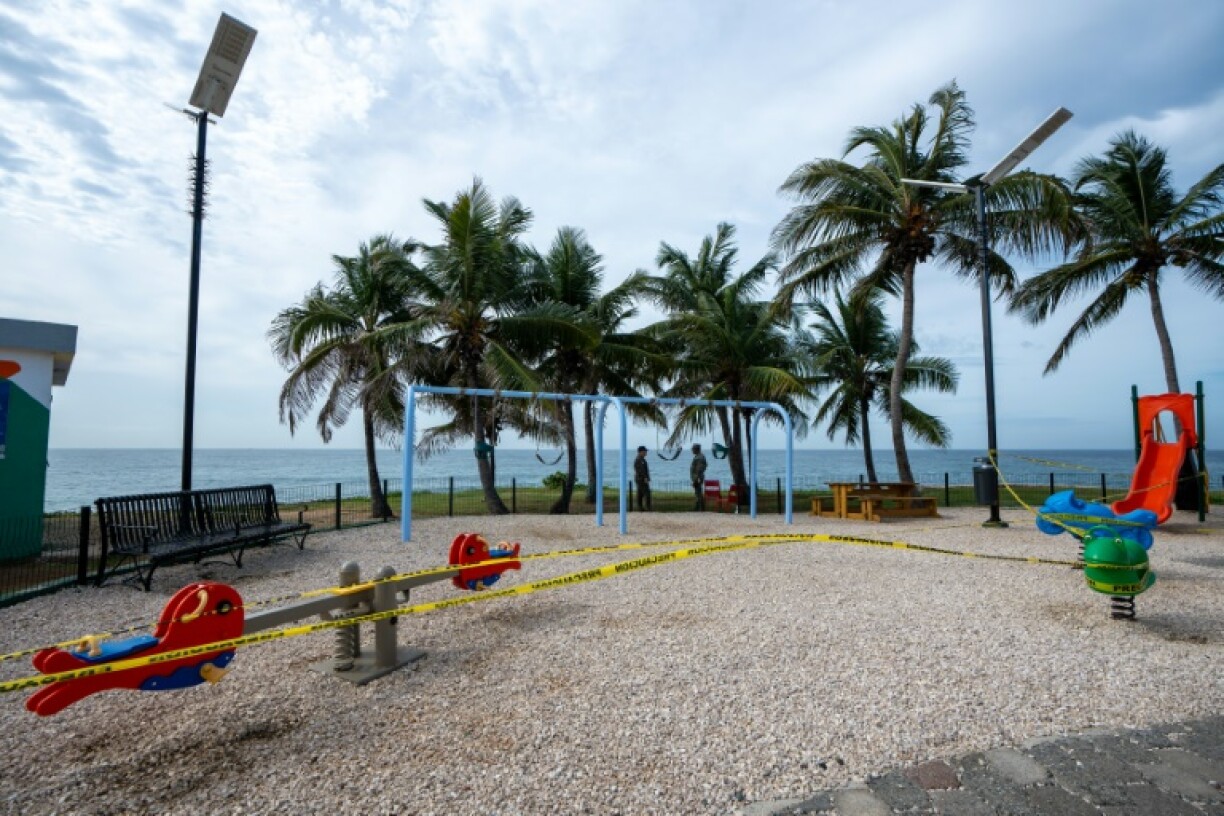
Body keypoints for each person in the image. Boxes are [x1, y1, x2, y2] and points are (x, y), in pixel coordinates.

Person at [633, 445, 652, 511]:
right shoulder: (638, 460)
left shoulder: (642, 460)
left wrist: (648, 477)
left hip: (641, 479)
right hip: (640, 479)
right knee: (647, 493)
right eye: (645, 451)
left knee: (640, 493)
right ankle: (647, 507)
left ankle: (640, 508)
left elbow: (645, 470)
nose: (646, 453)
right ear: (640, 452)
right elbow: (640, 470)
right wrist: (645, 478)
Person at [690, 443, 707, 510]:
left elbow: (699, 469)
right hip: (696, 477)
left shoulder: (699, 457)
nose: (692, 451)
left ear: (696, 449)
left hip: (698, 477)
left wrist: (696, 479)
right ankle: (699, 507)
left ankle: (700, 508)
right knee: (697, 493)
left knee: (698, 493)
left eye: (693, 449)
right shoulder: (698, 457)